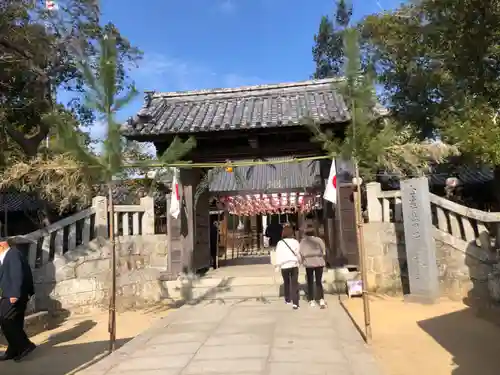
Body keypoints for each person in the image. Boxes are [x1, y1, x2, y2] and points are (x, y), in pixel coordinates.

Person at [0, 238, 36, 362]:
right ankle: (13, 350)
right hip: (10, 294)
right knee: (15, 322)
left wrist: (15, 294)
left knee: (5, 320)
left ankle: (25, 345)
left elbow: (17, 274)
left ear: (2, 245)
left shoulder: (13, 254)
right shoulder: (6, 256)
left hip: (14, 295)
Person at [274, 226, 300, 309]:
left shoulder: (280, 243)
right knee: (294, 283)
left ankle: (287, 299)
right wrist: (299, 261)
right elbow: (298, 253)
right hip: (293, 264)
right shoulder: (295, 242)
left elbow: (278, 254)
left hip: (284, 265)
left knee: (286, 282)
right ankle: (295, 303)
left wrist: (277, 265)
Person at [299, 228, 327, 308]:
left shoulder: (303, 241)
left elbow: (301, 252)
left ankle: (311, 300)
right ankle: (321, 299)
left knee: (310, 282)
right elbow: (324, 252)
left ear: (305, 233)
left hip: (309, 263)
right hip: (319, 263)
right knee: (319, 282)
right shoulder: (319, 240)